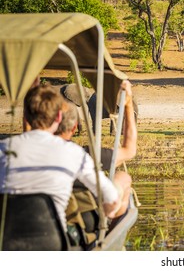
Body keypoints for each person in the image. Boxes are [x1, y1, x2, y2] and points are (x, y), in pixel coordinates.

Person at [0, 84, 126, 231]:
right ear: (59, 116)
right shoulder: (73, 152)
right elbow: (110, 197)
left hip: (6, 241)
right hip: (55, 240)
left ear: (26, 116)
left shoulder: (3, 149)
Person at [55, 80, 137, 231]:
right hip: (79, 226)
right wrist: (128, 104)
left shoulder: (8, 152)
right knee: (123, 178)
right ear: (74, 128)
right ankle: (108, 235)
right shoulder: (82, 156)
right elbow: (129, 150)